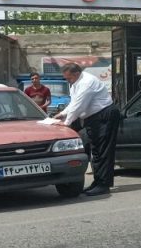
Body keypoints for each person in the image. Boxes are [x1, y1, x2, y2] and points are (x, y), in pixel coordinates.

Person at [54, 63, 120, 196]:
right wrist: (62, 114)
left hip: (104, 115)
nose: (68, 81)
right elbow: (73, 103)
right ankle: (97, 182)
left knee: (103, 152)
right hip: (94, 119)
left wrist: (67, 122)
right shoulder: (76, 82)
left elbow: (79, 105)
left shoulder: (87, 82)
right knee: (96, 151)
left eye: (69, 78)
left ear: (76, 74)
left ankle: (103, 185)